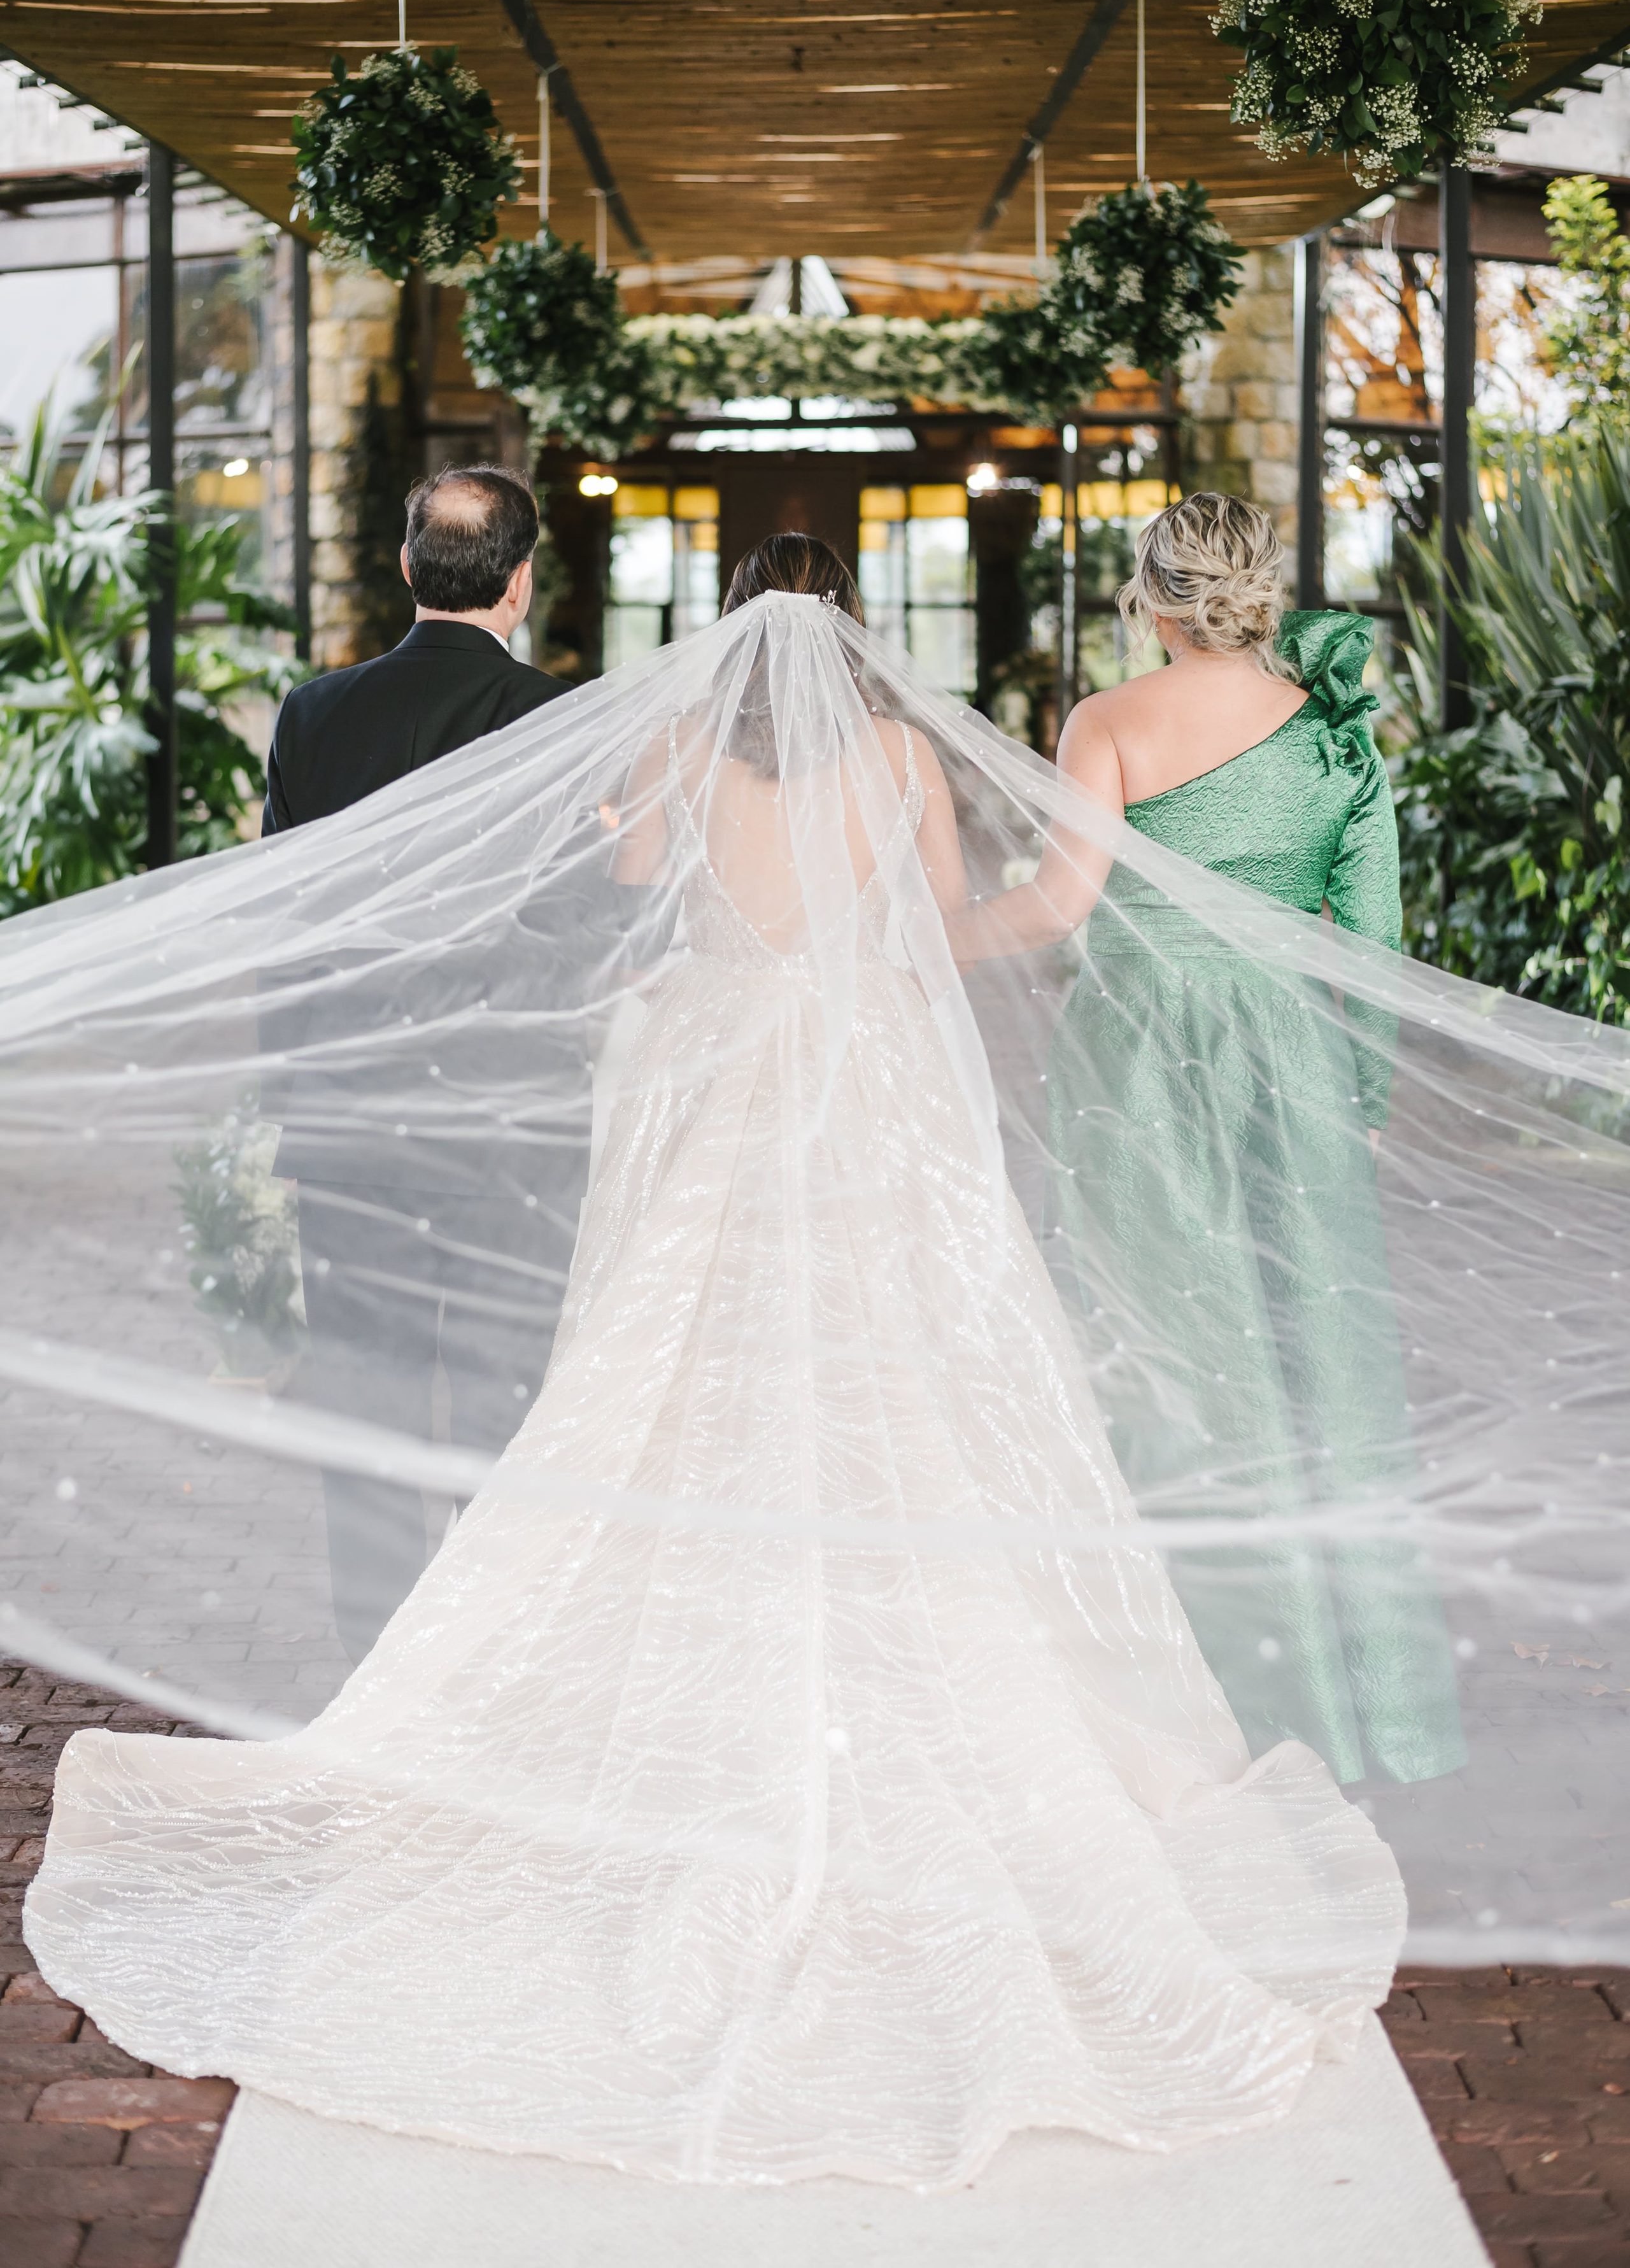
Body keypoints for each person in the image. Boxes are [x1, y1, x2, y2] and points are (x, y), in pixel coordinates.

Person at [25, 534, 1406, 2190]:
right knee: (905, 1356)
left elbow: (632, 888)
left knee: (669, 1361)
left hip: (714, 1056)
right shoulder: (902, 750)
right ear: (846, 632)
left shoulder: (678, 746)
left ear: (734, 628)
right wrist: (884, 946)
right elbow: (942, 910)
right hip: (863, 1055)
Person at [947, 492, 1465, 1786]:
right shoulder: (1338, 736)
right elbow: (1373, 938)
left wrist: (914, 928)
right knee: (1315, 1358)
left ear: (1151, 595)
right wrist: (1355, 1088)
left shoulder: (1106, 722)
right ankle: (1357, 1703)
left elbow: (1057, 906)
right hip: (1289, 1061)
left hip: (1139, 1059)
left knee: (1160, 1348)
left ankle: (1179, 1699)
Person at [259, 463, 584, 1661]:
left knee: (370, 1419)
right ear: (519, 579)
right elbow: (579, 928)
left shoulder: (312, 713)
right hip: (510, 1121)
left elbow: (283, 924)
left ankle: (377, 1675)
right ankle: (488, 1671)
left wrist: (286, 1091)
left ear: (407, 570)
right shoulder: (558, 719)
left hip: (348, 1118)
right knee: (506, 1416)